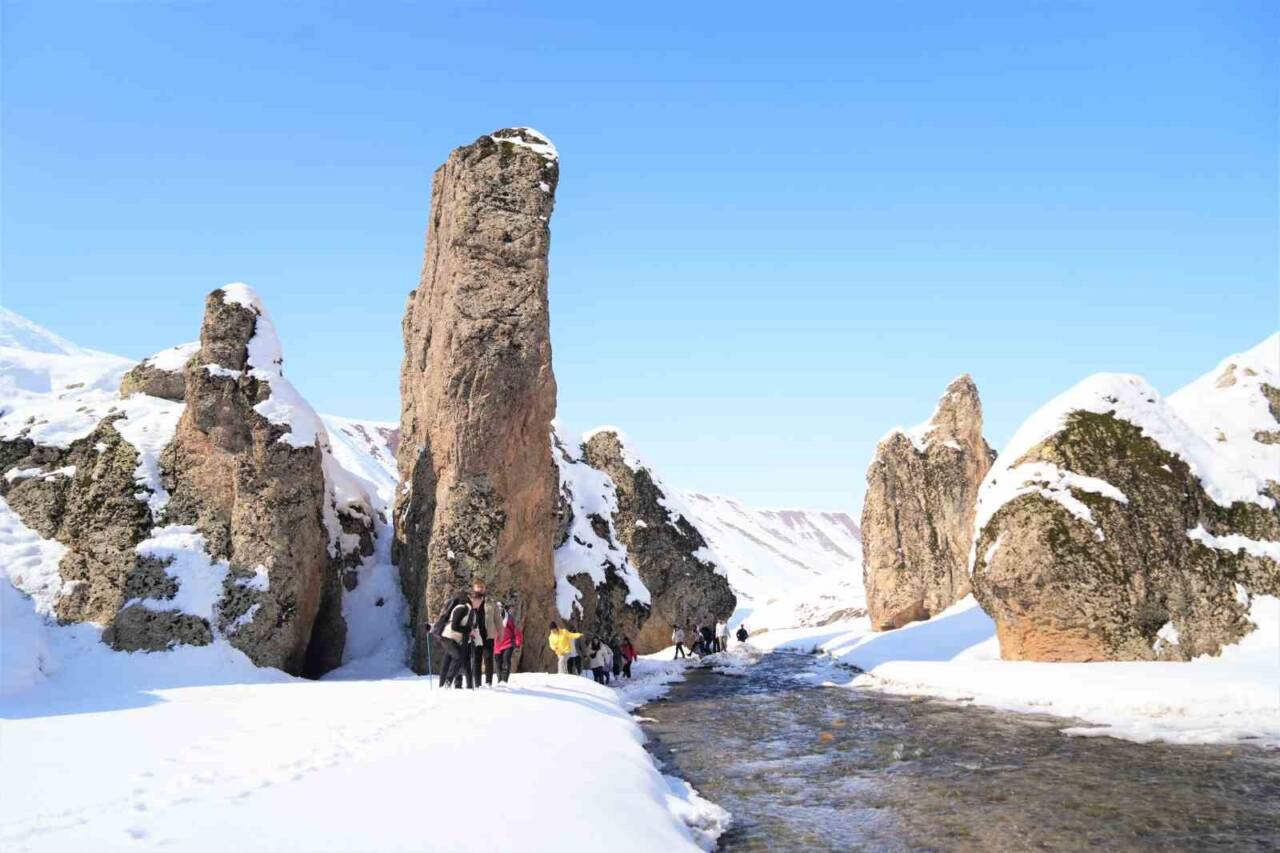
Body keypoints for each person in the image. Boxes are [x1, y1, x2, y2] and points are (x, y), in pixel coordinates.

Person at [439, 589, 482, 689]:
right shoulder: (462, 608)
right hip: (448, 637)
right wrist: (468, 631)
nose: (480, 603)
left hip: (458, 640)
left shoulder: (472, 612)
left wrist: (473, 634)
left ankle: (451, 684)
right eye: (479, 600)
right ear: (472, 599)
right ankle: (447, 683)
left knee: (456, 659)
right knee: (457, 657)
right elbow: (454, 626)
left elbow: (472, 627)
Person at [493, 601, 523, 684]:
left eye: (500, 608)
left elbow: (516, 631)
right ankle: (500, 680)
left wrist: (518, 641)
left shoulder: (509, 618)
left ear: (503, 608)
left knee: (506, 660)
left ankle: (504, 681)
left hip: (508, 643)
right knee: (498, 663)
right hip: (496, 645)